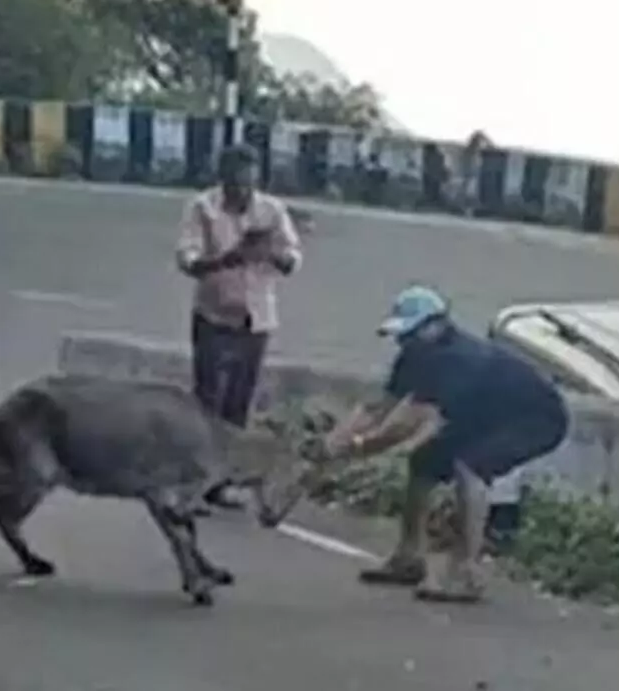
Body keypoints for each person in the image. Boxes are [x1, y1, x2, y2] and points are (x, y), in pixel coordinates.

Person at [312, 285, 571, 603]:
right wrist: (331, 443)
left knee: (471, 467)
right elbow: (378, 407)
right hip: (481, 413)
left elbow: (407, 425)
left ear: (436, 326)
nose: (403, 341)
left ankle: (467, 572)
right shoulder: (414, 355)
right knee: (423, 462)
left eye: (409, 334)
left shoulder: (458, 359)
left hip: (534, 419)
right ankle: (408, 557)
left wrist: (357, 447)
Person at [175, 143, 302, 510]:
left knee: (238, 404)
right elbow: (187, 260)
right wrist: (226, 259)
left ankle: (222, 482)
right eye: (235, 186)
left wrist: (271, 254)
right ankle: (194, 481)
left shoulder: (272, 210)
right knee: (207, 401)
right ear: (223, 181)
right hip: (214, 313)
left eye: (248, 185)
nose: (242, 194)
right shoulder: (202, 208)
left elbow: (293, 258)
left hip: (257, 317)